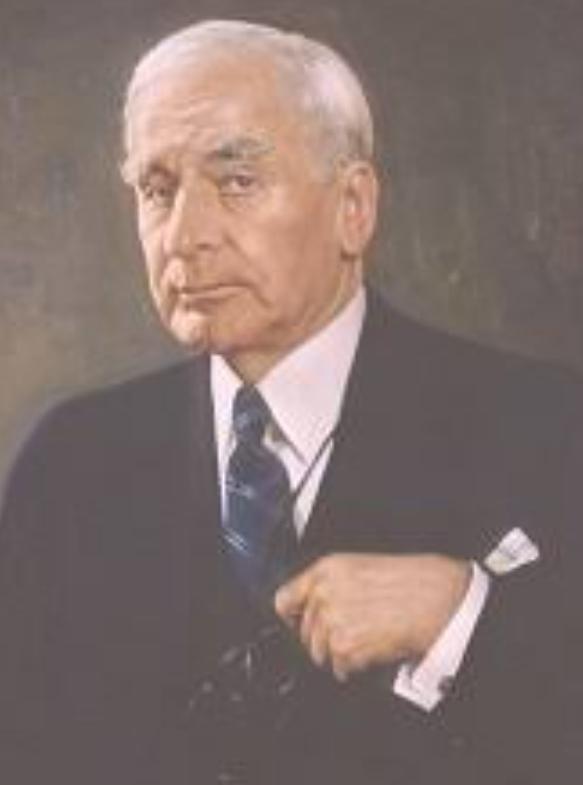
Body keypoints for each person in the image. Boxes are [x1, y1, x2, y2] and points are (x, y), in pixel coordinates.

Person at [0, 19, 581, 785]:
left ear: (353, 207)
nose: (184, 236)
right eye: (157, 190)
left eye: (237, 181)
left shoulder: (548, 430)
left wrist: (462, 616)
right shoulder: (68, 462)